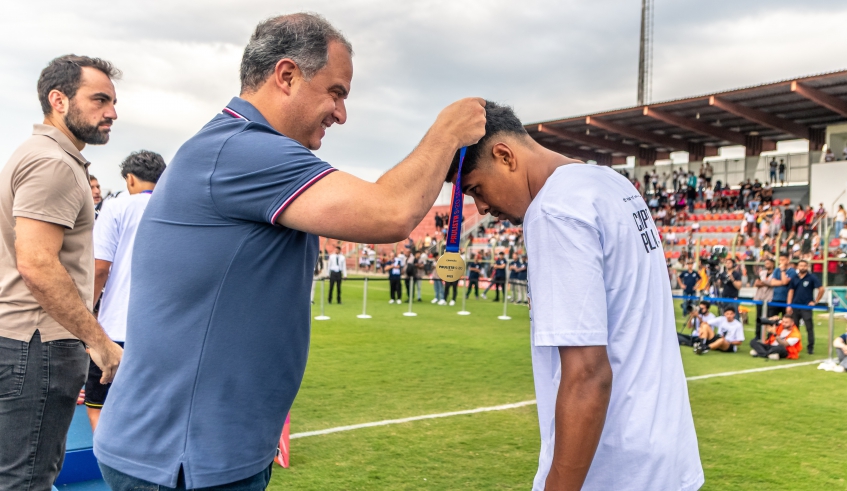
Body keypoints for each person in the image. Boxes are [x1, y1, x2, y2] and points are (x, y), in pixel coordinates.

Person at [94, 14, 486, 490]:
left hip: (202, 451)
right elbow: (392, 212)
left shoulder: (240, 148)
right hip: (181, 458)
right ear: (286, 75)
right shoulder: (243, 150)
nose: (341, 114)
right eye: (336, 92)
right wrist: (447, 131)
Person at [445, 102, 702, 490]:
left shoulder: (555, 211)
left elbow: (587, 375)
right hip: (664, 456)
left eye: (476, 189)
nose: (480, 207)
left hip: (614, 469)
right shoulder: (610, 183)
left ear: (504, 155)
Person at [0, 55, 124, 490]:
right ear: (59, 100)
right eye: (99, 99)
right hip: (37, 345)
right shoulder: (52, 162)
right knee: (26, 480)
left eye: (112, 101)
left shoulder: (43, 156)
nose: (111, 112)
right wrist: (99, 342)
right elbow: (35, 263)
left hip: (25, 343)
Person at [85, 150, 166, 431]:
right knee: (152, 413)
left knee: (101, 410)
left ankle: (113, 473)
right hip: (164, 331)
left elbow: (99, 268)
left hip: (117, 328)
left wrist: (84, 315)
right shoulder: (177, 207)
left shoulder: (117, 206)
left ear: (129, 179)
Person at [786, 259, 823, 354]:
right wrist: (789, 305)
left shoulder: (811, 277)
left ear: (807, 266)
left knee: (809, 328)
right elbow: (791, 291)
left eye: (804, 265)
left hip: (806, 307)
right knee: (794, 328)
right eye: (801, 265)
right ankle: (795, 346)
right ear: (798, 267)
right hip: (795, 306)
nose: (802, 267)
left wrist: (815, 301)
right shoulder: (794, 277)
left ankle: (810, 348)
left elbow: (821, 289)